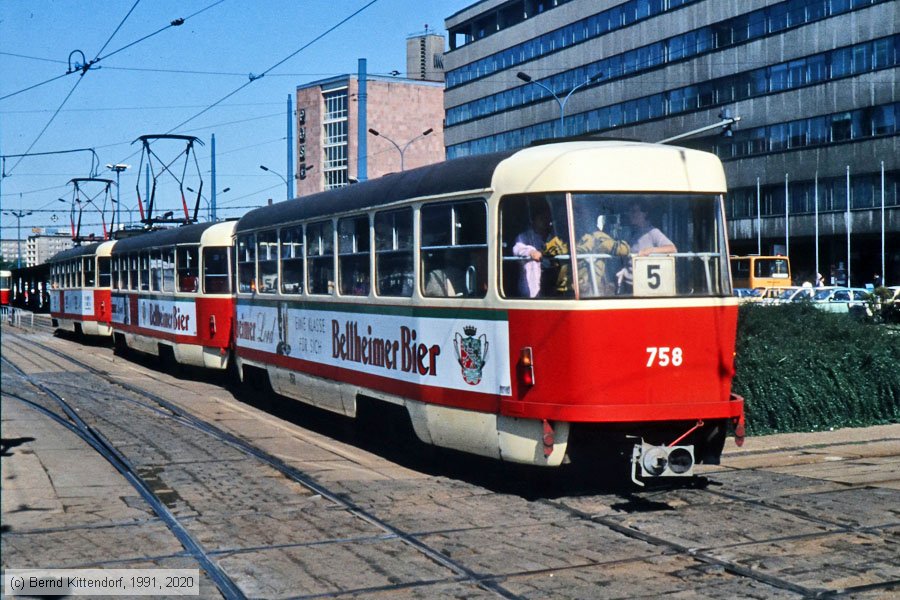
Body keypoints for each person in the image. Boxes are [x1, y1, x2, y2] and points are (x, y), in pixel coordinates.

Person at [617, 200, 677, 290]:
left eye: (634, 211)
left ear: (644, 213)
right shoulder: (633, 233)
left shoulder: (652, 232)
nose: (630, 214)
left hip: (643, 284)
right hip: (629, 282)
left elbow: (672, 249)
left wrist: (649, 251)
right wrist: (624, 270)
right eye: (629, 212)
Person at [576, 212, 630, 296]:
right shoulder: (598, 237)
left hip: (579, 282)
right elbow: (624, 250)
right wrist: (624, 239)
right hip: (592, 284)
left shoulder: (578, 238)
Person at [512, 204, 553, 298]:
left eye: (547, 219)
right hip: (531, 285)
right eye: (541, 219)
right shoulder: (524, 237)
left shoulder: (553, 236)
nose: (545, 222)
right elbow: (517, 249)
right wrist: (531, 252)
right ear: (533, 220)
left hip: (550, 279)